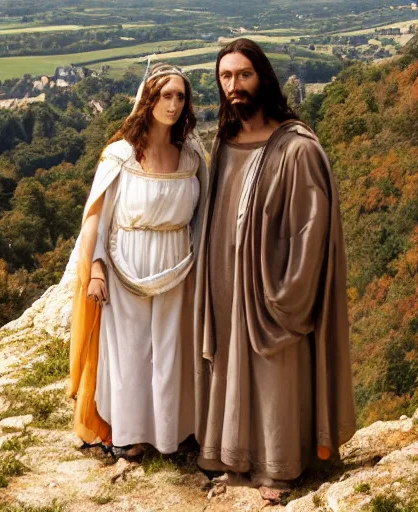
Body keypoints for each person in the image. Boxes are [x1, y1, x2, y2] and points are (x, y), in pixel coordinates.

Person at [192, 38, 356, 486]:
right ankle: (236, 458)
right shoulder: (224, 143)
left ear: (263, 78)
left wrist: (285, 292)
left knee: (276, 376)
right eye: (225, 77)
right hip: (227, 288)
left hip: (275, 288)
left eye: (243, 75)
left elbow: (311, 231)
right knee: (234, 370)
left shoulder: (297, 147)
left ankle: (279, 470)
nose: (234, 86)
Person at [68, 63, 210, 459]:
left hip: (177, 265)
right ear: (149, 100)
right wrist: (95, 270)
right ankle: (130, 435)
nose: (174, 104)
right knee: (130, 353)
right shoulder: (121, 156)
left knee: (170, 351)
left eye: (180, 96)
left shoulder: (191, 157)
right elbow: (96, 218)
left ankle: (173, 432)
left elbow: (203, 217)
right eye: (166, 95)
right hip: (125, 264)